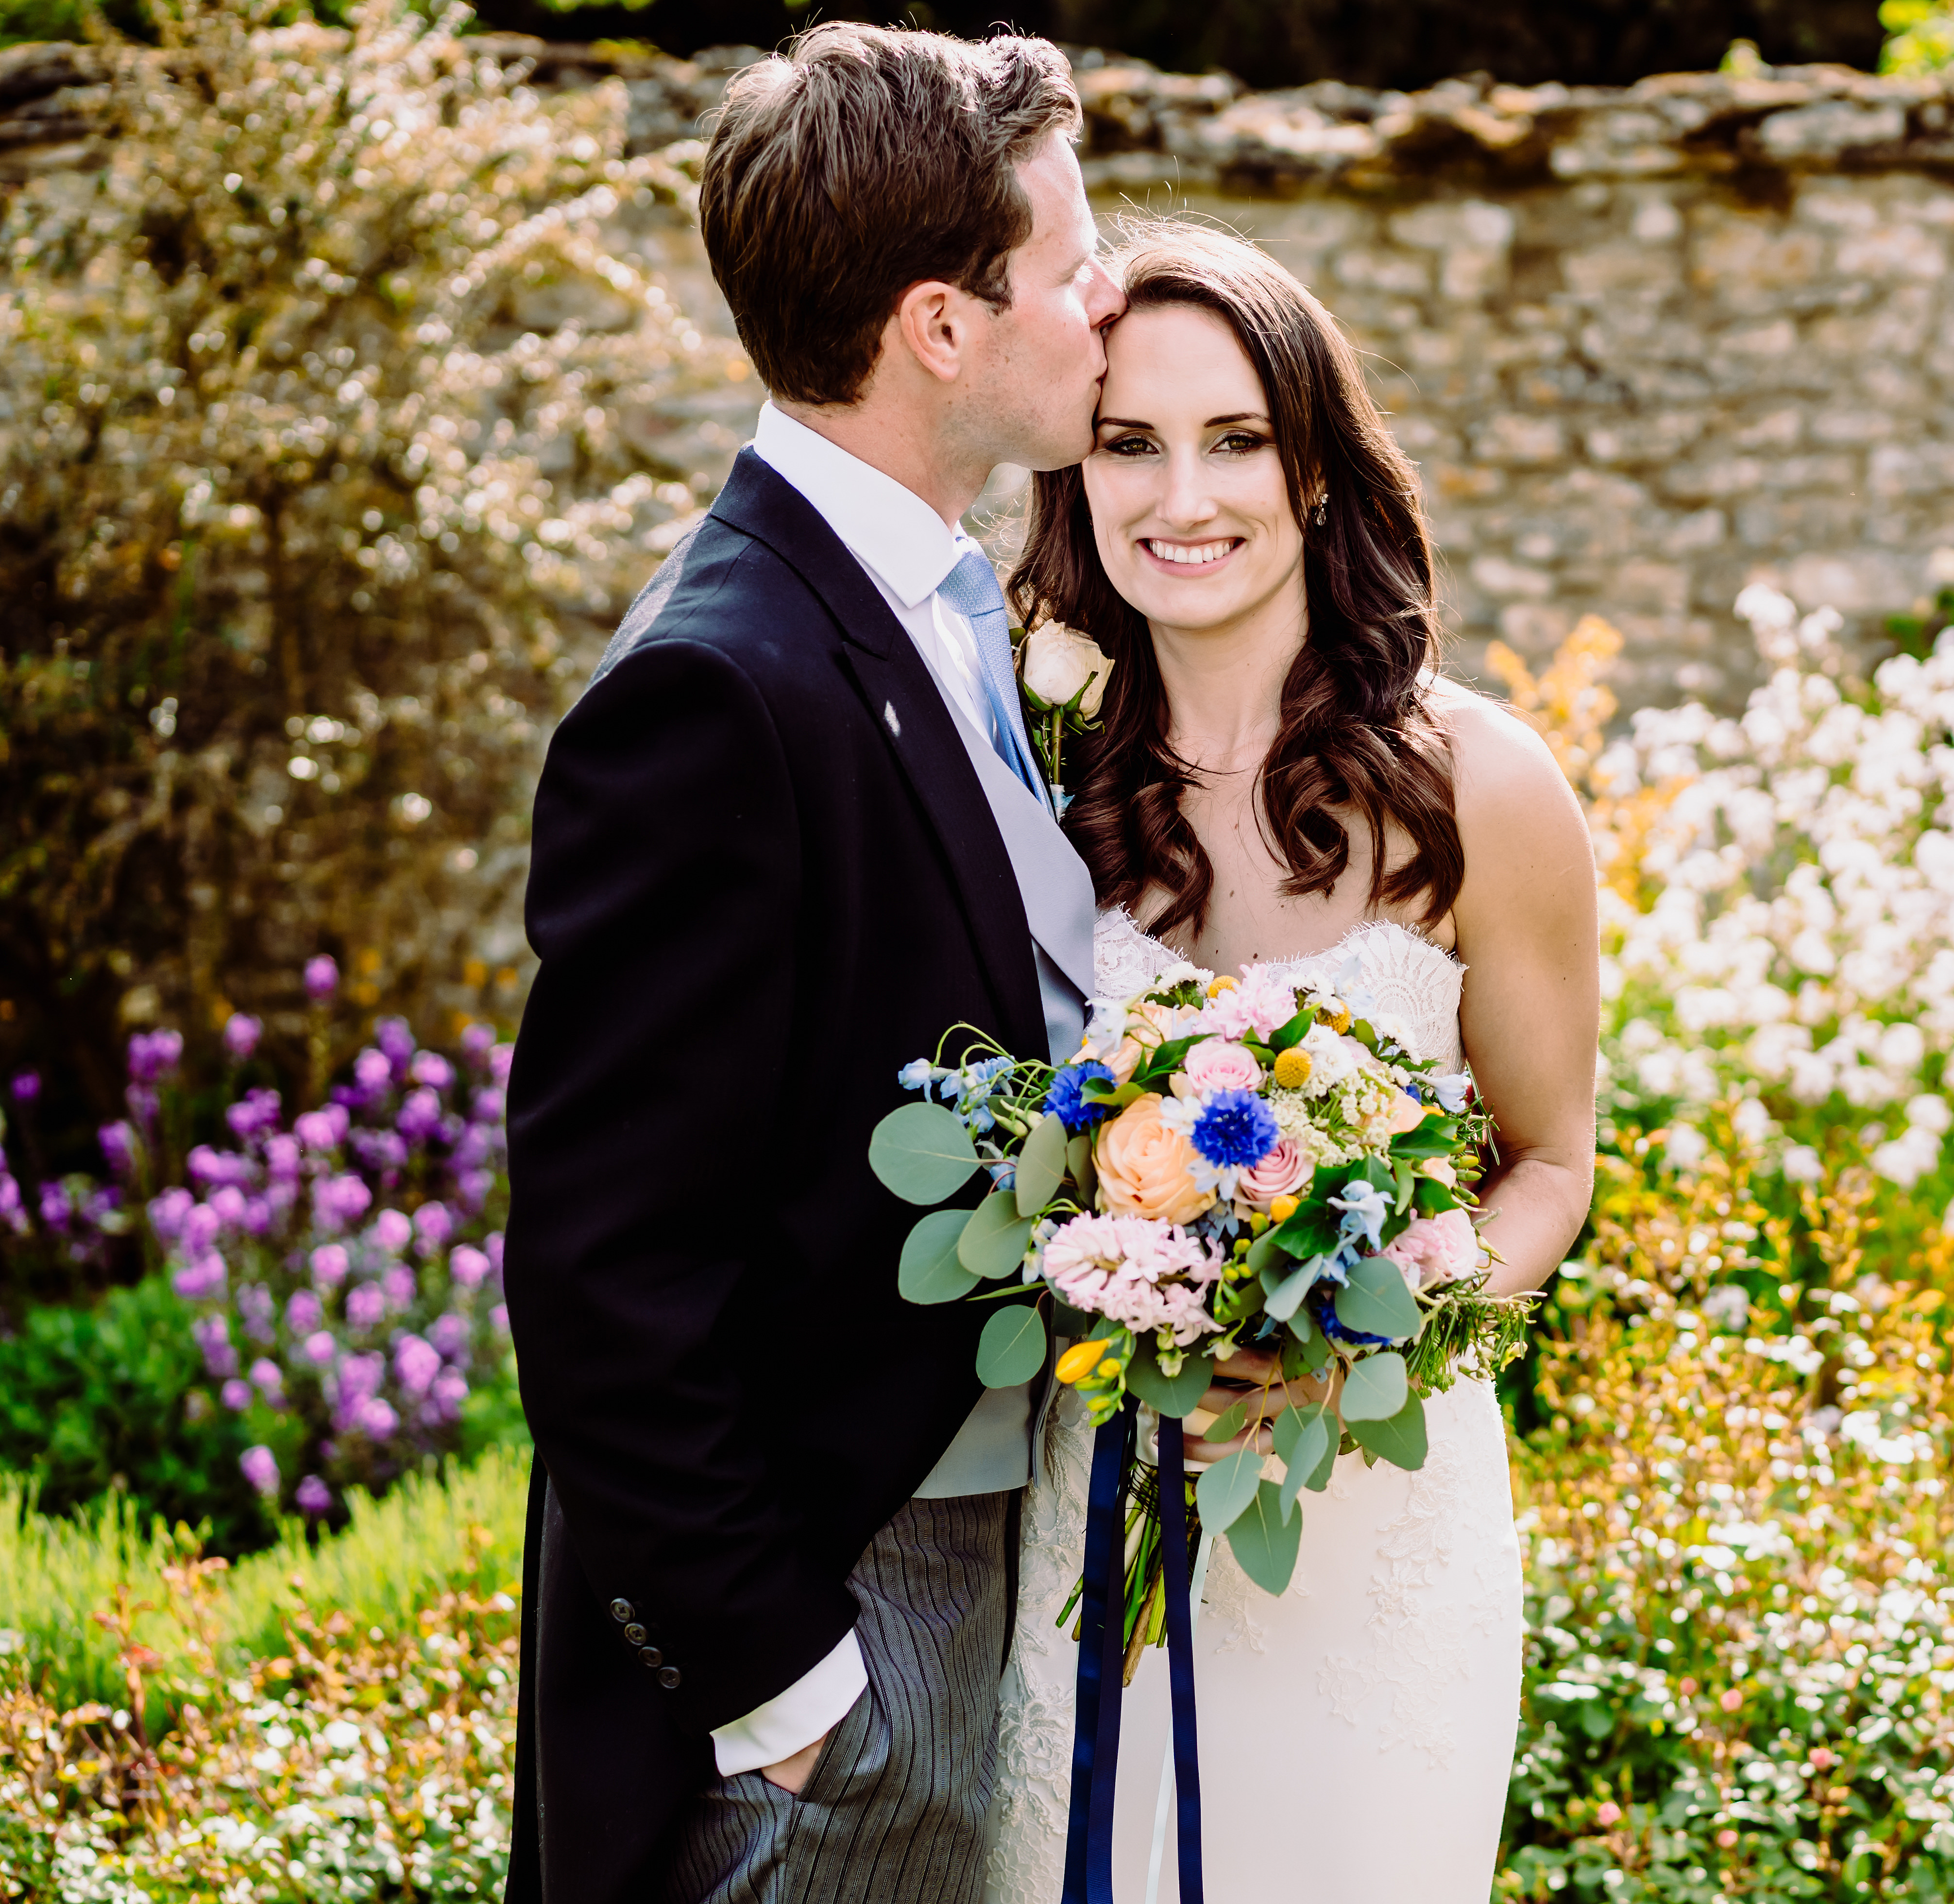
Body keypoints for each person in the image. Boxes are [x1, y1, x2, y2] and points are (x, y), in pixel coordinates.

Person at [501, 25, 1121, 1903]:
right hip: (845, 1615)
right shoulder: (716, 686)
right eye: (1072, 260)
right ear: (942, 324)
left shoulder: (933, 601)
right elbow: (603, 1271)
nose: (1109, 297)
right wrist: (788, 1689)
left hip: (982, 1555)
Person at [981, 225, 1601, 1902]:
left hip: (1376, 1540)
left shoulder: (1486, 788)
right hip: (1089, 1524)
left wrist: (1378, 1313)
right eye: (1131, 444)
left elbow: (1550, 1166)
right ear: (1079, 477)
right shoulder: (1029, 794)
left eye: (1236, 438)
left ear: (1316, 467)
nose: (1183, 496)